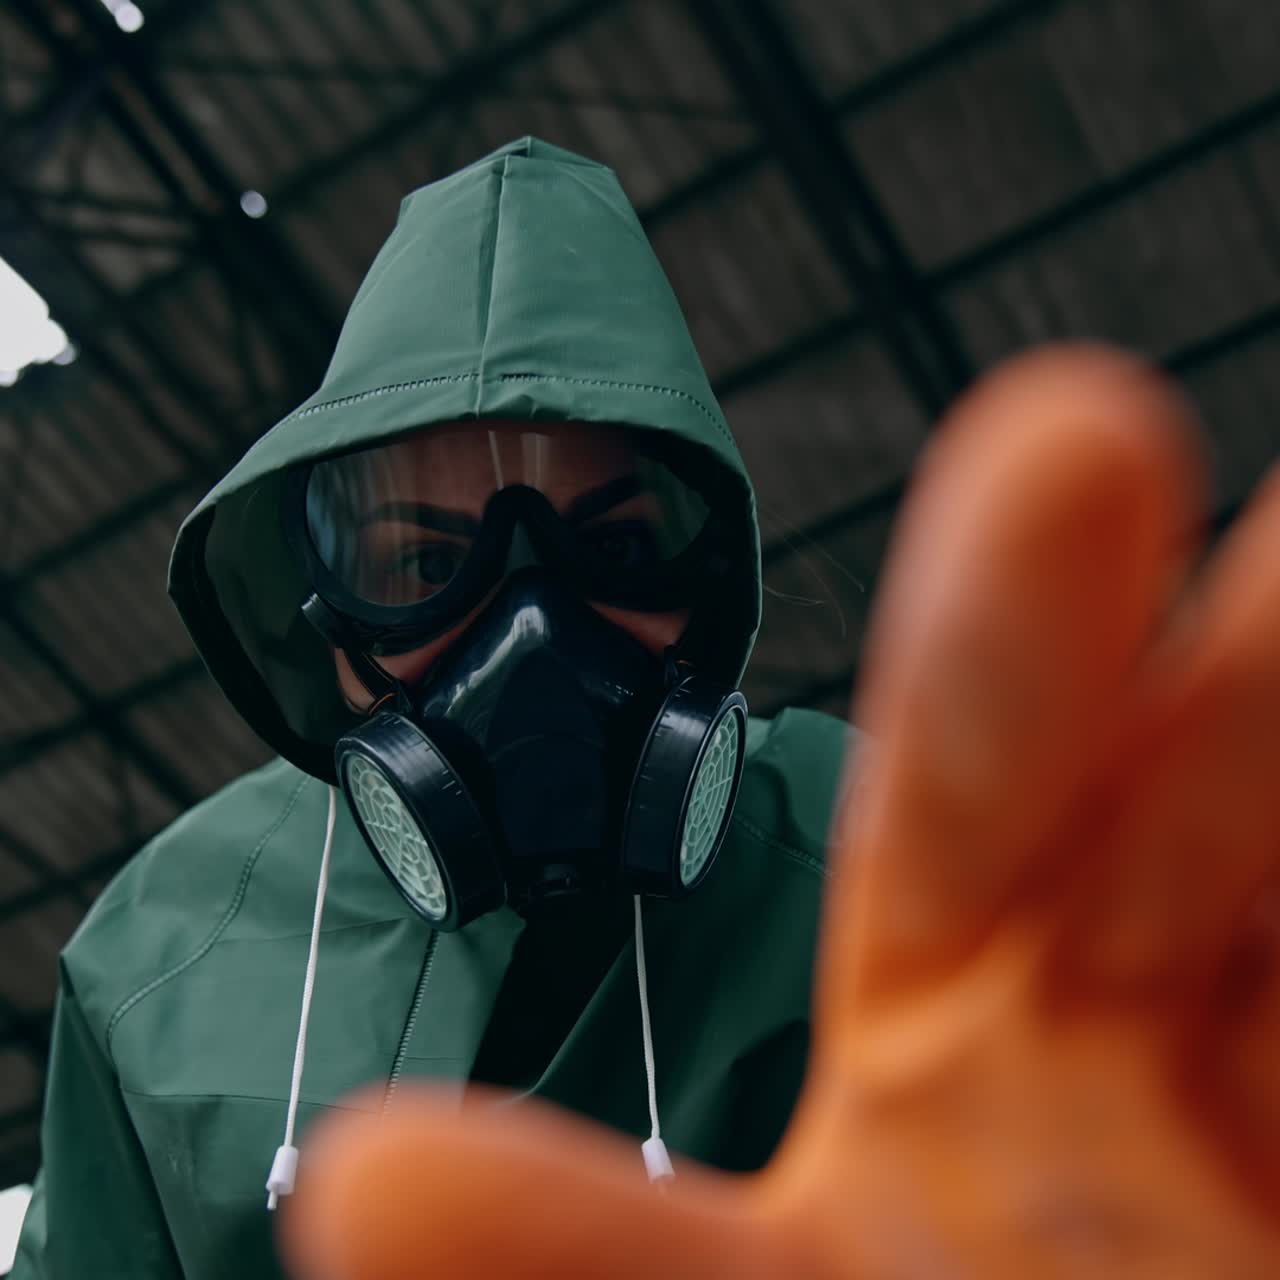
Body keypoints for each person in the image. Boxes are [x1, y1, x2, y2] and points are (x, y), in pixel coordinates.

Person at [12, 137, 855, 1279]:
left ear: (703, 589)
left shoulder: (865, 855)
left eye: (609, 547)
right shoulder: (159, 949)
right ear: (324, 619)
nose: (528, 632)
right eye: (419, 567)